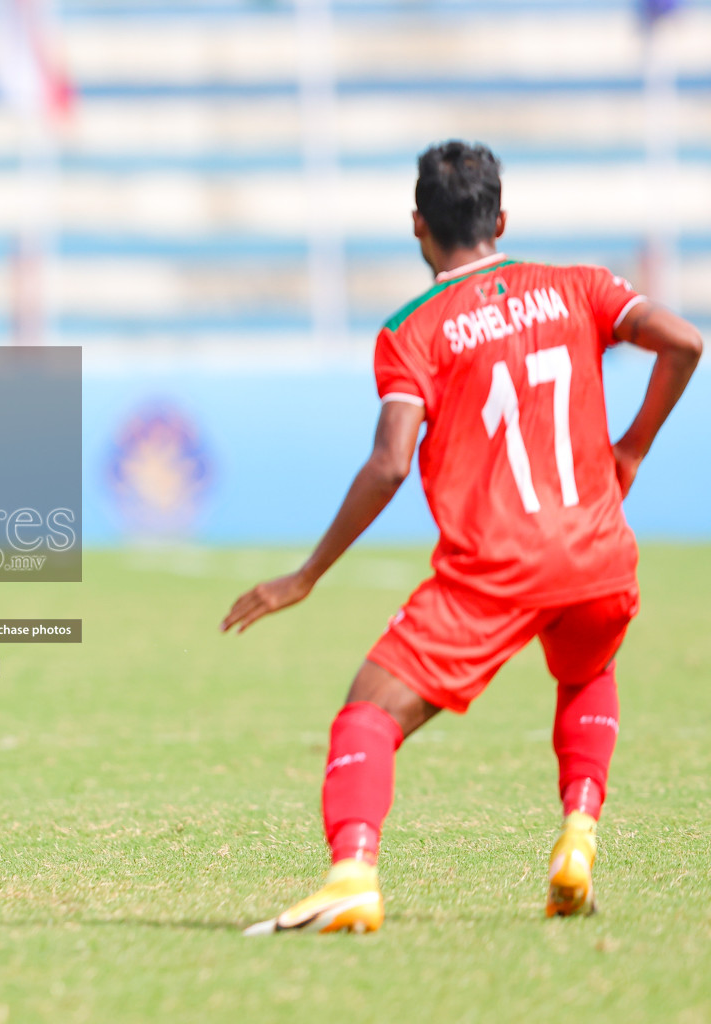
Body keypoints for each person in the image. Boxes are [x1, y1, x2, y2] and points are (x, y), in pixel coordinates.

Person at [224, 140, 701, 933]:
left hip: (498, 567)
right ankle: (578, 833)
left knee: (367, 712)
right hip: (598, 551)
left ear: (418, 226)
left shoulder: (414, 330)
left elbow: (388, 464)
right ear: (501, 218)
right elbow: (684, 340)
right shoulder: (577, 286)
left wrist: (305, 575)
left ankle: (351, 875)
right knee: (587, 672)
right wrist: (634, 445)